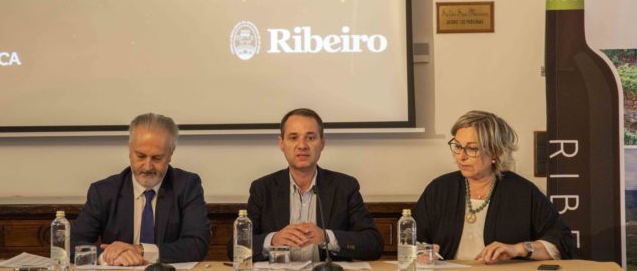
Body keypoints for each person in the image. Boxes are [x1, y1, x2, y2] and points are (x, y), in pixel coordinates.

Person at [412, 110, 575, 263]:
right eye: (458, 146)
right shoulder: (440, 189)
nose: (461, 156)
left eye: (471, 148)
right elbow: (412, 240)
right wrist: (421, 252)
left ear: (496, 152)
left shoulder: (522, 192)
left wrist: (519, 249)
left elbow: (562, 241)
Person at [228, 108, 384, 262]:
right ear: (281, 143)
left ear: (322, 143)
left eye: (310, 138)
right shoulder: (262, 188)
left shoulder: (344, 186)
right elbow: (233, 248)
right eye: (293, 137)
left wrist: (326, 237)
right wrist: (273, 240)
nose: (302, 145)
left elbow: (373, 244)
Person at [71, 113, 211, 266]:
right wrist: (107, 256)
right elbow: (72, 243)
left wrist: (140, 250)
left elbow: (197, 245)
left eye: (157, 158)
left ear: (170, 153)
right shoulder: (104, 191)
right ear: (130, 150)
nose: (147, 166)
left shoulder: (186, 186)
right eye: (140, 156)